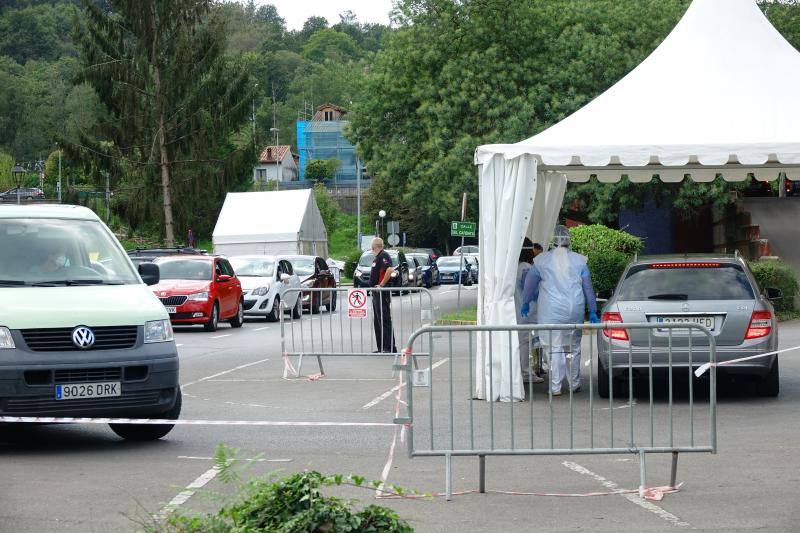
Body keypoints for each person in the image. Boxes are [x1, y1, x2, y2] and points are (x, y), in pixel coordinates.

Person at [521, 226, 599, 395]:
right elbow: (588, 288)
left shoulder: (541, 260)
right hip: (574, 309)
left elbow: (529, 285)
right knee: (573, 347)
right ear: (568, 240)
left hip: (550, 311)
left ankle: (555, 387)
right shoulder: (580, 261)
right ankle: (574, 384)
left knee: (553, 347)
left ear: (553, 240)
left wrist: (525, 303)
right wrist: (593, 310)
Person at [516, 238, 544, 384]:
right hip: (527, 311)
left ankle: (524, 370)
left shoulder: (516, 267)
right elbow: (531, 290)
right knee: (525, 343)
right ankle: (526, 372)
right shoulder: (526, 267)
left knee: (523, 342)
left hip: (518, 310)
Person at [369, 237, 397, 353]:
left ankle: (389, 347)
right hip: (376, 293)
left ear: (374, 246)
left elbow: (389, 269)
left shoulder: (384, 255)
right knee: (378, 320)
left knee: (384, 319)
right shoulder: (378, 257)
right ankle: (381, 346)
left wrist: (381, 285)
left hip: (381, 293)